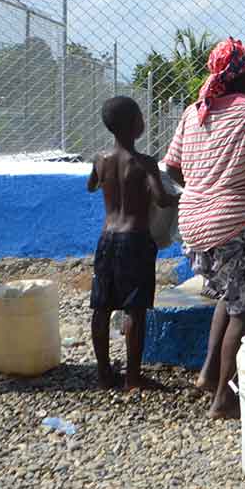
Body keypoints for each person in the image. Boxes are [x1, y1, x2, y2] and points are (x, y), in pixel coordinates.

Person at [165, 39, 245, 420]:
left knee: (227, 299)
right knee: (244, 310)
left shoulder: (194, 112)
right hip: (231, 223)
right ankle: (225, 400)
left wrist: (203, 186)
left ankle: (209, 374)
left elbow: (172, 167)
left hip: (192, 225)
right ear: (243, 76)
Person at [87, 96, 178, 392]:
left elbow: (91, 185)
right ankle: (133, 377)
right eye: (140, 117)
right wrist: (182, 196)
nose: (144, 121)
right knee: (134, 309)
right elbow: (161, 199)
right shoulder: (144, 163)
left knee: (101, 306)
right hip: (135, 239)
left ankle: (104, 374)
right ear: (133, 124)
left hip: (107, 238)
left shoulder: (100, 159)